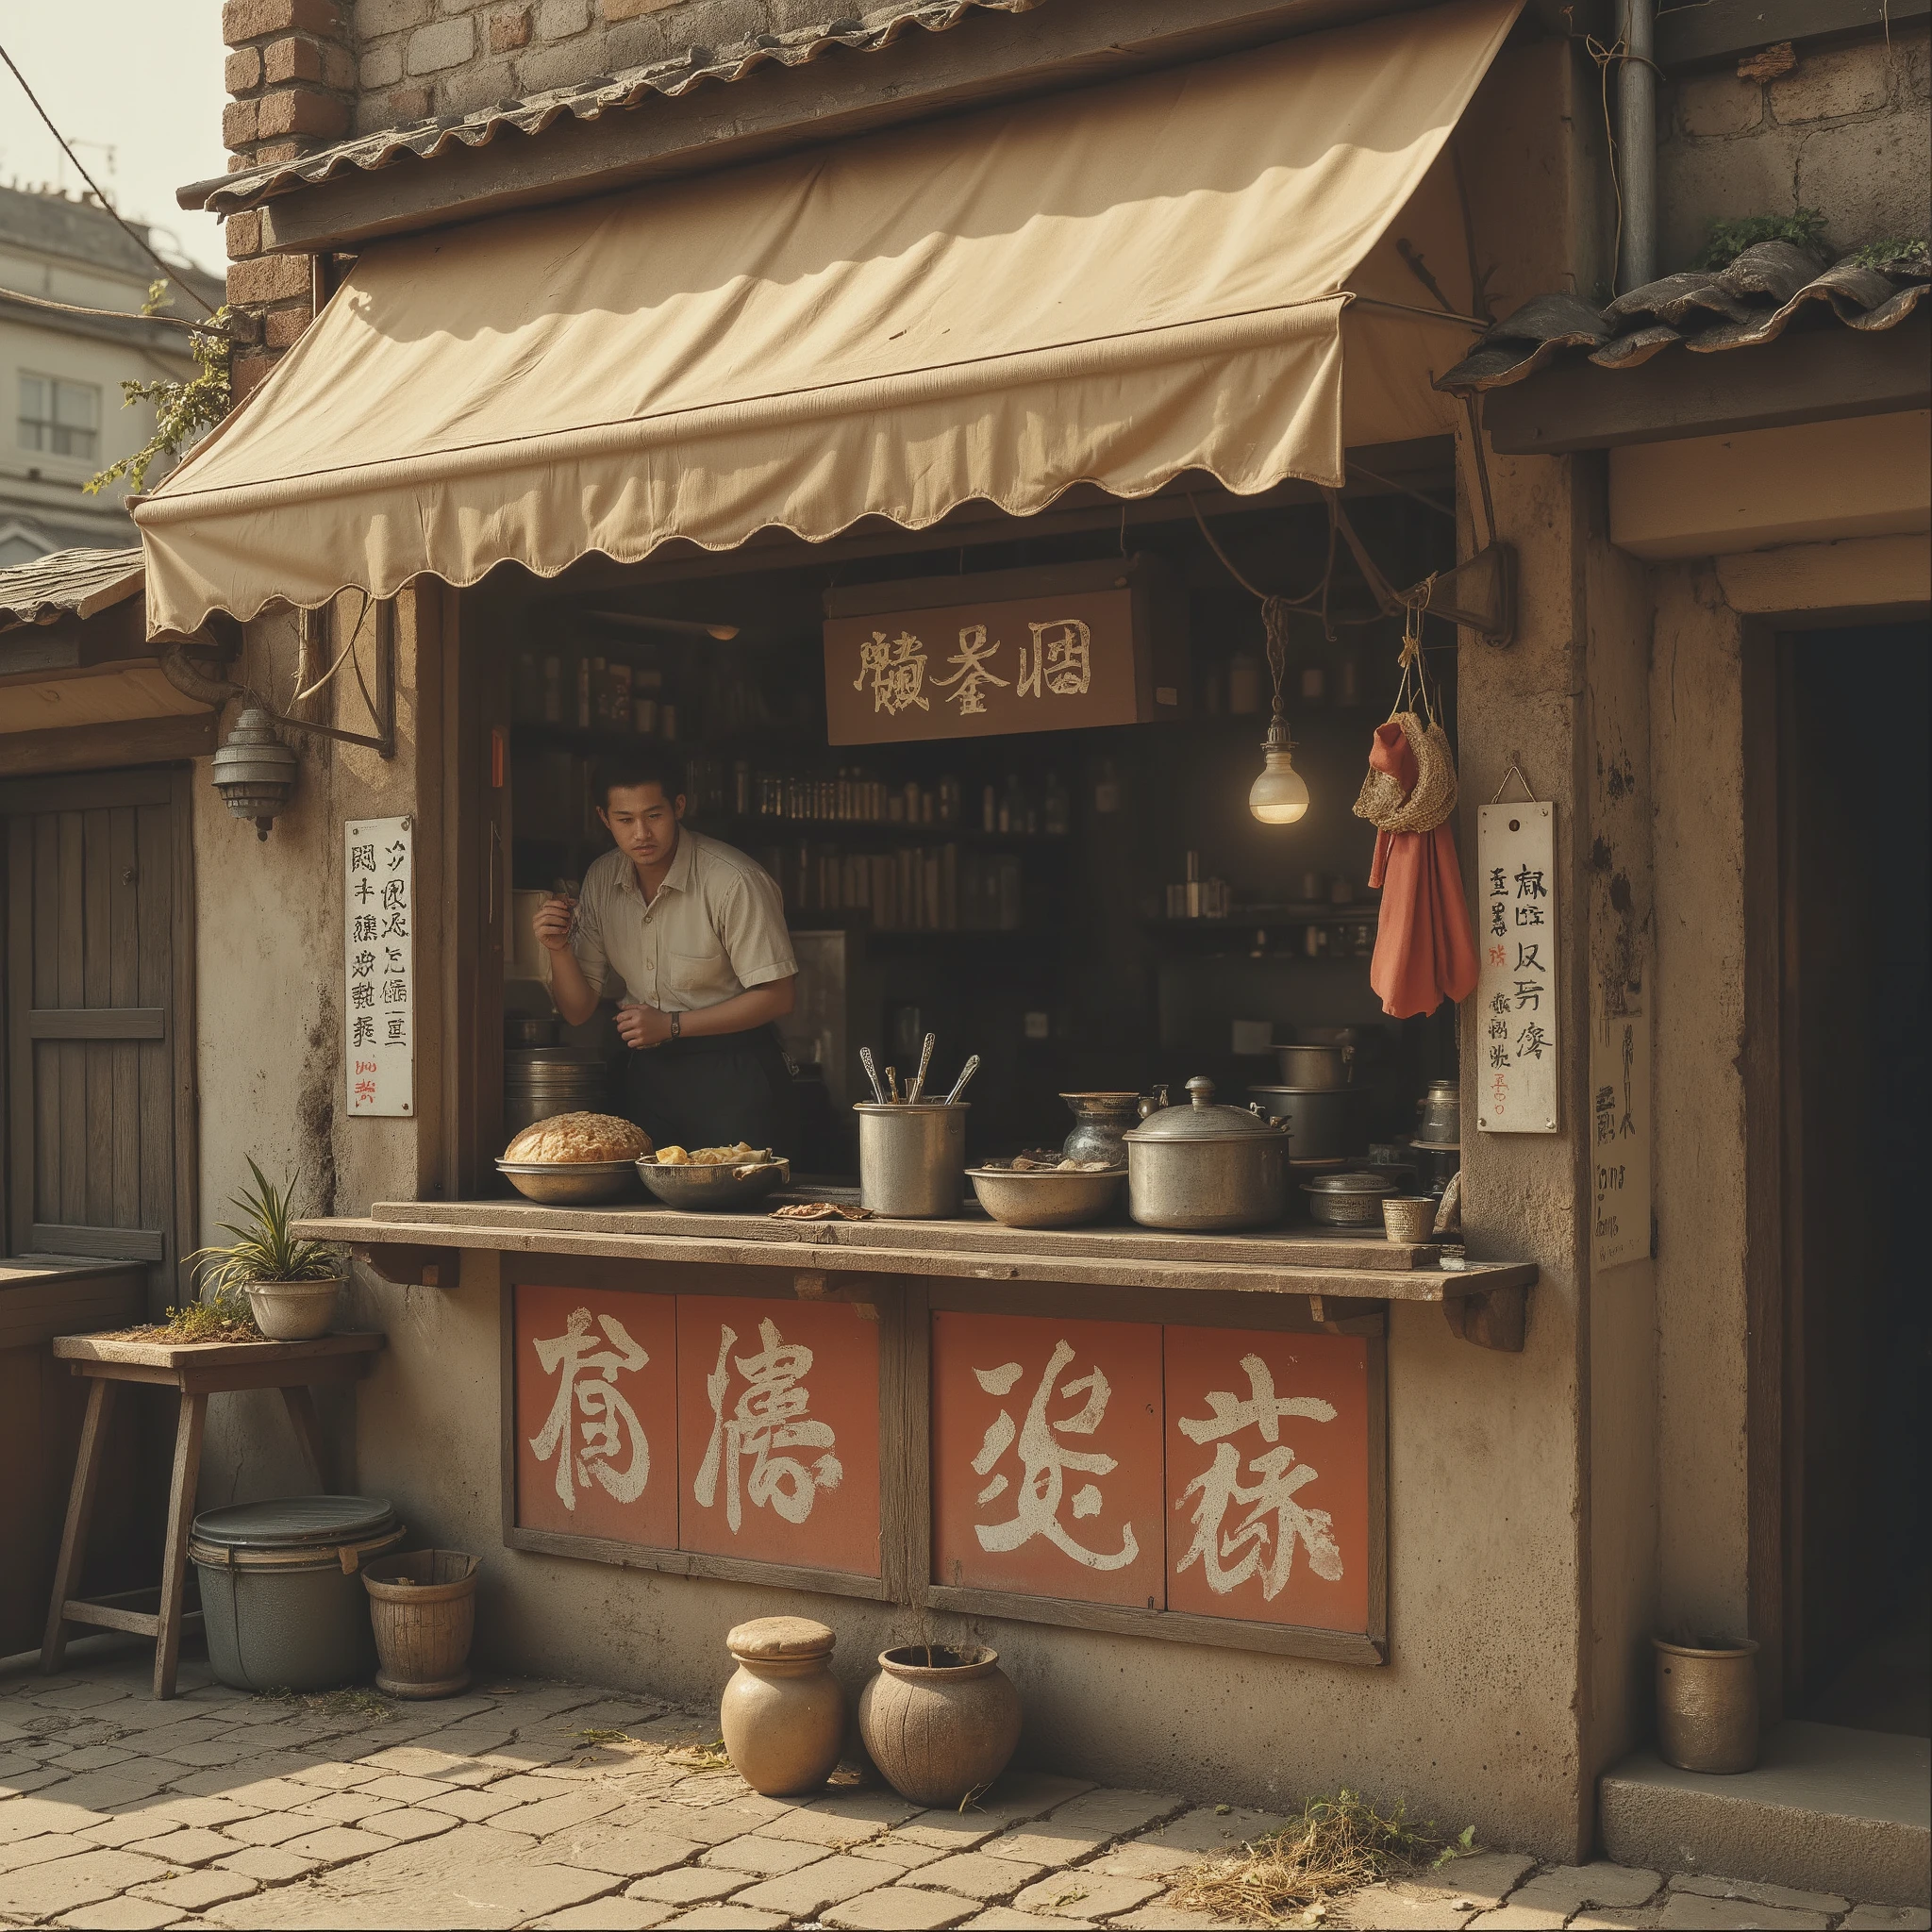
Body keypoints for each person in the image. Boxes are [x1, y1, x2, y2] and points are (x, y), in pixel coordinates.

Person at [533, 755, 800, 1153]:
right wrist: (558, 950)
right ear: (604, 819)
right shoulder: (603, 878)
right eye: (625, 820)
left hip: (735, 1070)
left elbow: (778, 996)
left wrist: (672, 1024)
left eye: (653, 815)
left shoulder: (733, 880)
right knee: (648, 1204)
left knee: (735, 1200)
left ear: (678, 807)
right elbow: (577, 1010)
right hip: (650, 1074)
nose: (641, 833)